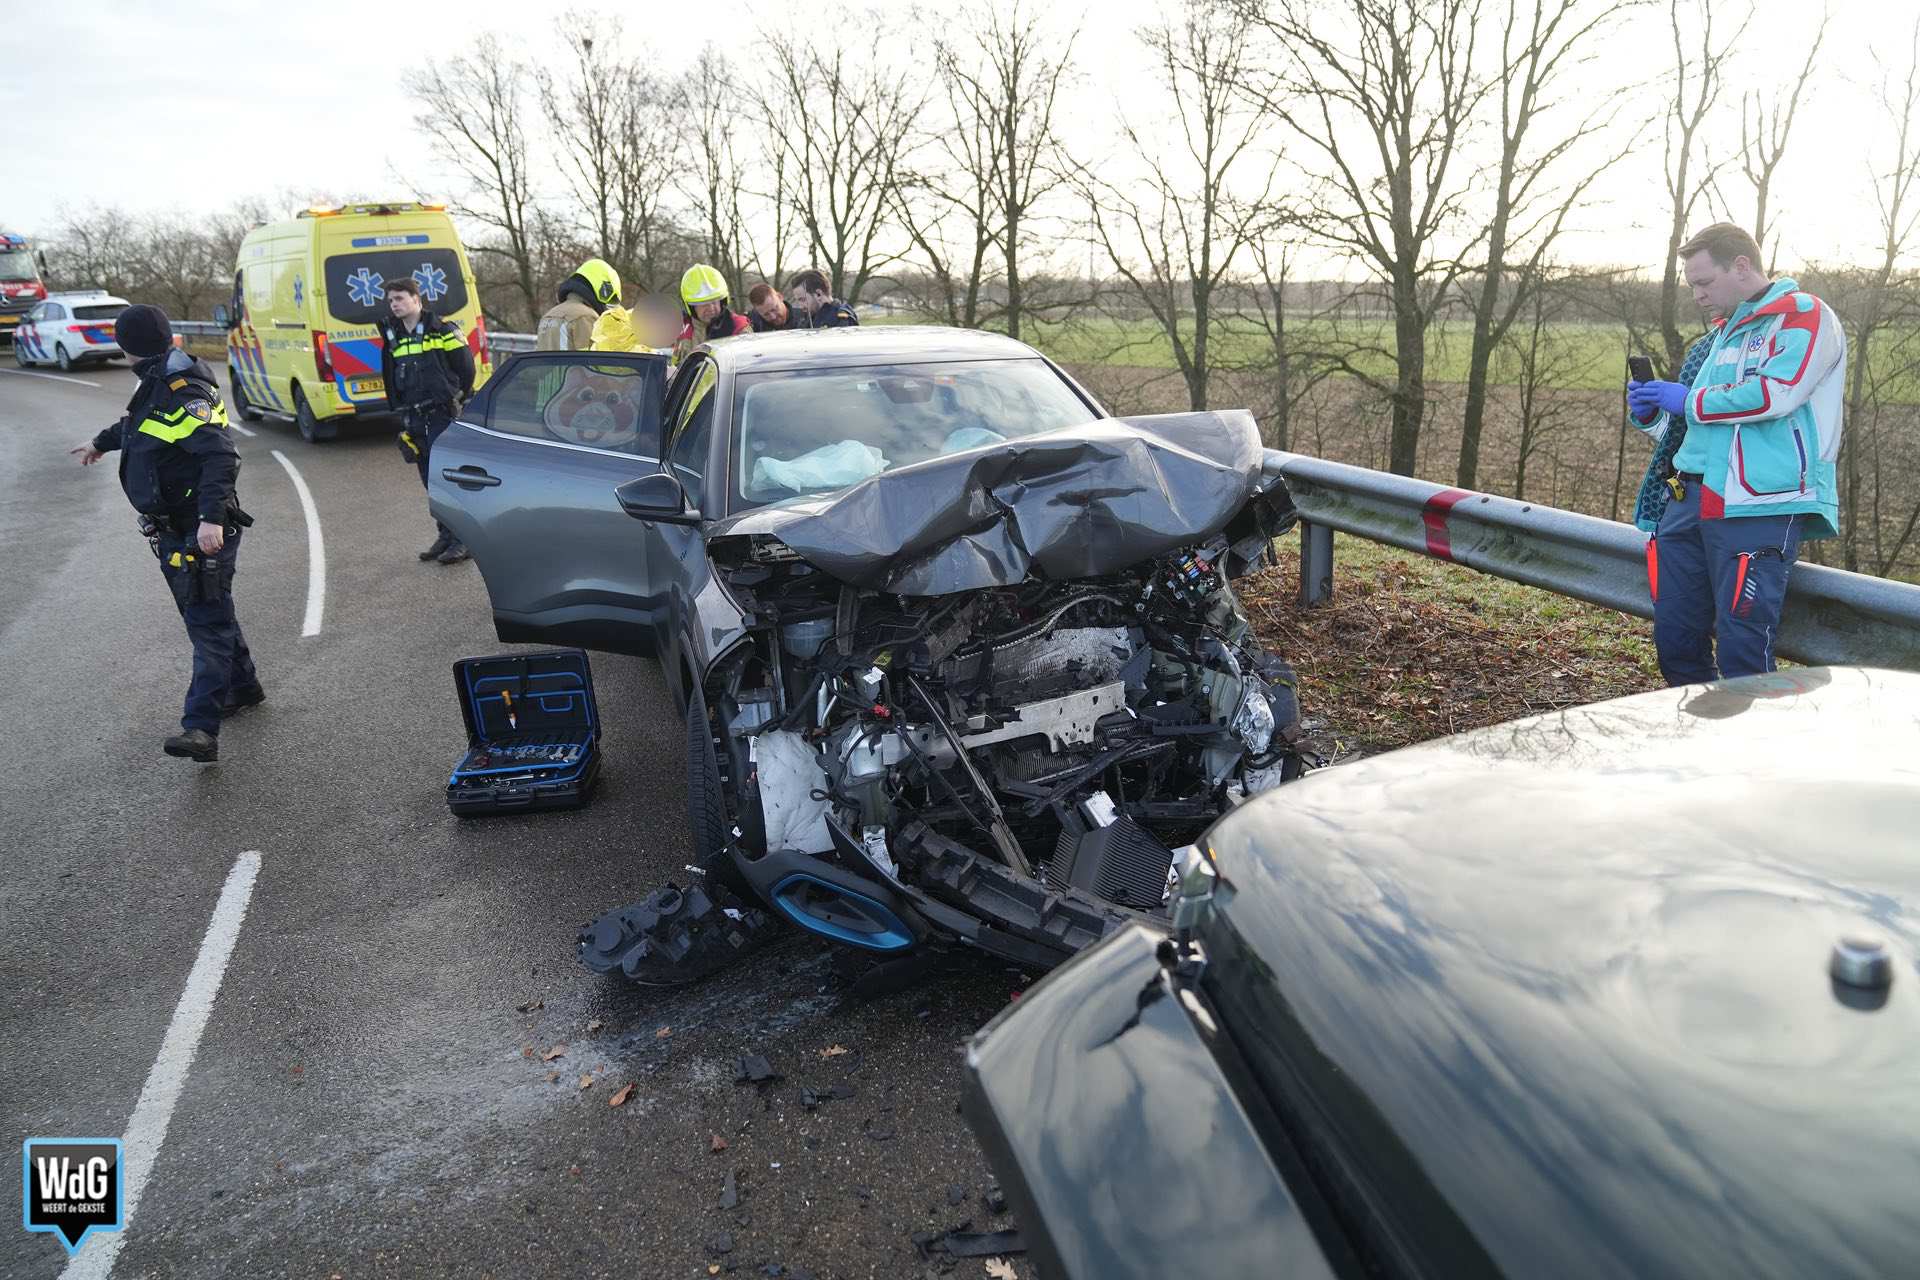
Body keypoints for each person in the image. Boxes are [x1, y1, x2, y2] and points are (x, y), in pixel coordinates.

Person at [1627, 222, 1847, 685]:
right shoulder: (1719, 338)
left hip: (1759, 504)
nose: (1698, 296)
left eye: (1705, 283)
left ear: (1741, 266)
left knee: (1743, 646)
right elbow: (1699, 429)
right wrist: (1653, 415)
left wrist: (1684, 399)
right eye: (1693, 287)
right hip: (1688, 499)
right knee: (1676, 638)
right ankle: (1697, 745)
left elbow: (1775, 393)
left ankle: (1750, 755)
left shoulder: (1803, 314)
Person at [70, 304, 261, 763]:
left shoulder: (180, 387)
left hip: (197, 531)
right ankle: (244, 686)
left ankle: (200, 728)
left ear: (125, 346)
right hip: (176, 530)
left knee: (206, 623)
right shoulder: (159, 381)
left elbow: (220, 455)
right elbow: (140, 430)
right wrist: (101, 442)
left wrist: (211, 519)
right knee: (211, 613)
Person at [378, 276, 476, 564]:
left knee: (446, 479)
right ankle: (445, 537)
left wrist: (456, 397)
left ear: (416, 300)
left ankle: (462, 541)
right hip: (414, 417)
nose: (394, 304)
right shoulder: (394, 335)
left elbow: (465, 367)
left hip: (441, 414)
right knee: (429, 481)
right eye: (391, 300)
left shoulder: (441, 329)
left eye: (399, 298)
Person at [537, 258, 622, 351]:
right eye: (612, 299)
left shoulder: (548, 316)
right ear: (604, 290)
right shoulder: (586, 316)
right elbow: (593, 361)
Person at [673, 264, 752, 362]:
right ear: (692, 307)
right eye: (704, 304)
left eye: (715, 301)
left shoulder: (739, 327)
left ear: (722, 301)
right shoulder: (682, 329)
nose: (711, 308)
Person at [785, 269, 858, 329]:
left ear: (818, 294)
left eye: (802, 299)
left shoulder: (842, 318)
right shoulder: (809, 318)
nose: (801, 306)